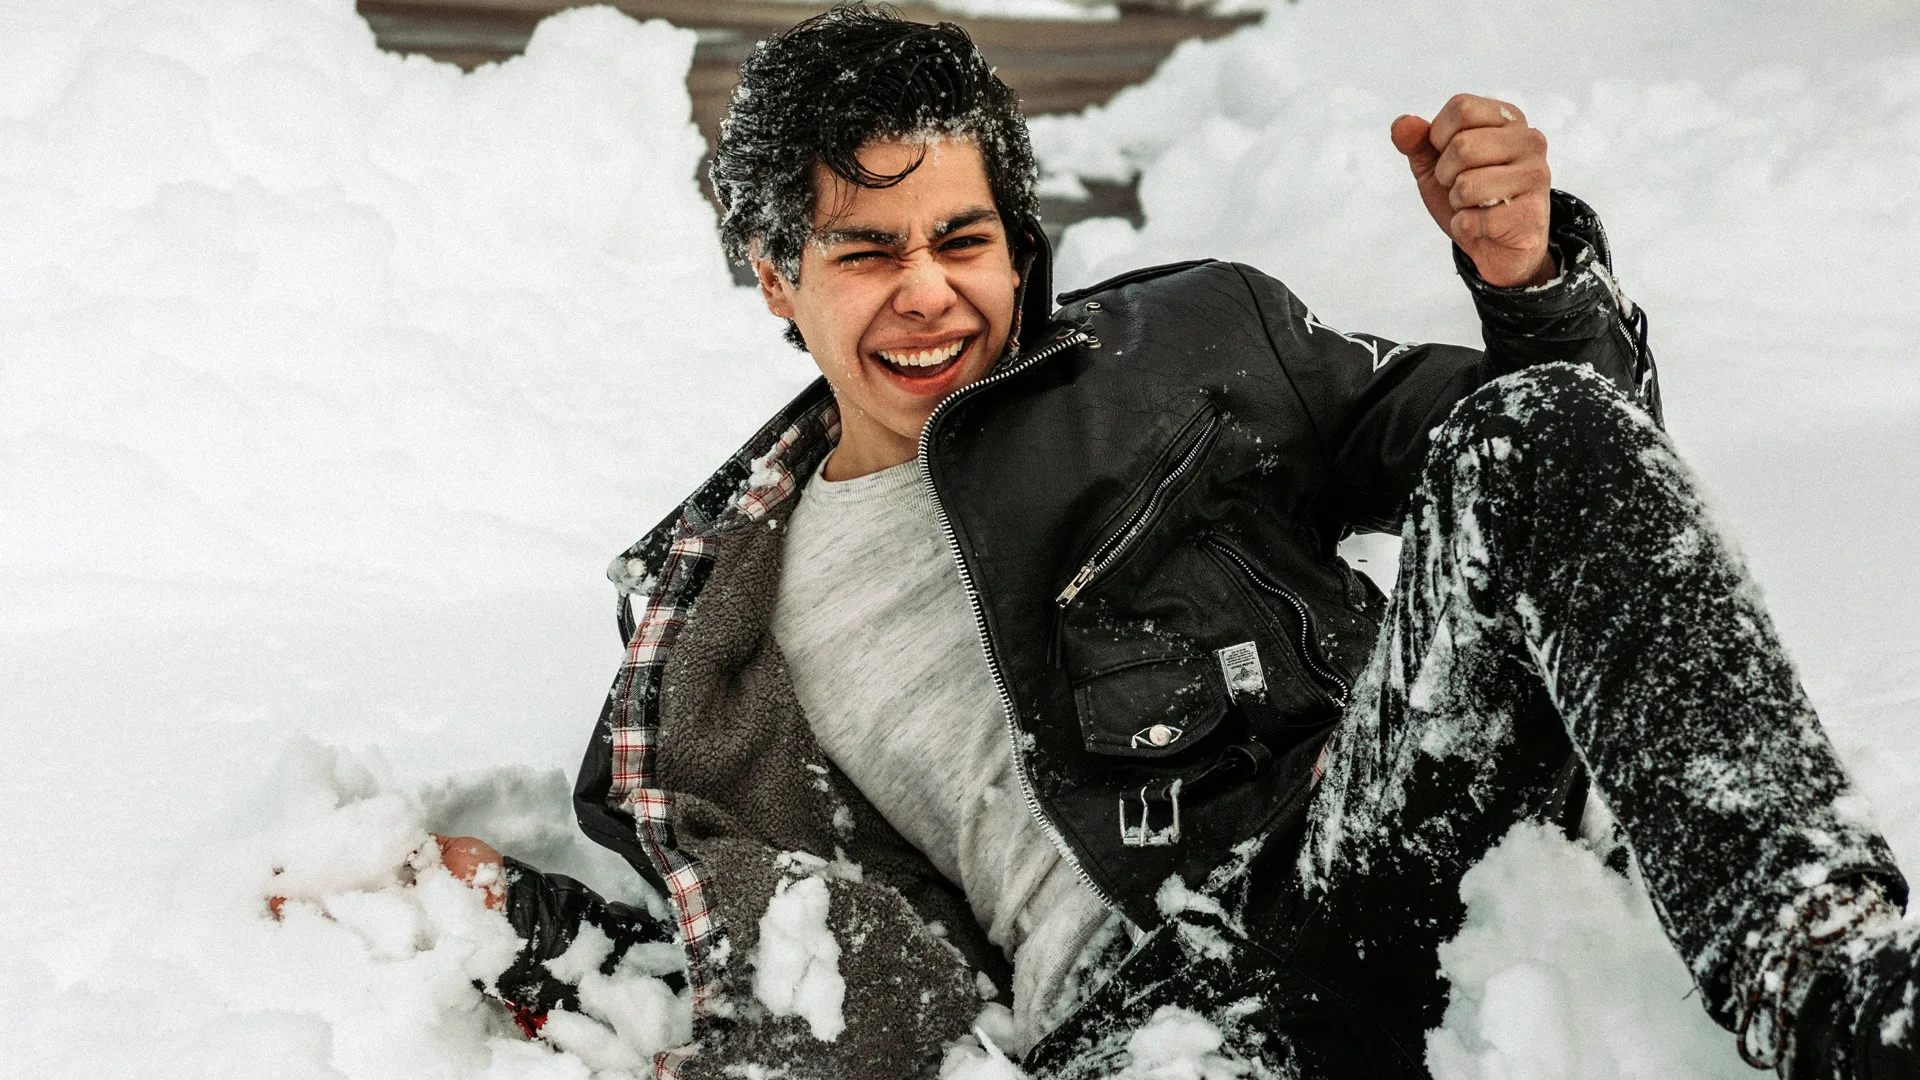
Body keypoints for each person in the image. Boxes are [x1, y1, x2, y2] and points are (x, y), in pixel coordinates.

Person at [420, 6, 1920, 1078]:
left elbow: (1582, 493)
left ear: (1016, 236)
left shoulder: (1192, 343)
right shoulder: (711, 646)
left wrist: (1531, 288)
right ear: (771, 275)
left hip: (1374, 857)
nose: (928, 295)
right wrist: (508, 928)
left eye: (961, 240)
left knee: (1530, 428)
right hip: (1163, 1032)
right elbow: (762, 960)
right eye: (864, 253)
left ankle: (1840, 990)